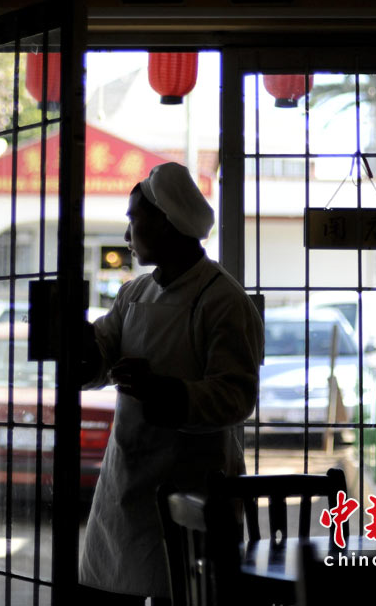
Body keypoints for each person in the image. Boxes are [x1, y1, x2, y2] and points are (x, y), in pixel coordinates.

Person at [79, 162, 265, 605]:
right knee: (109, 586)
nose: (127, 234)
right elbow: (100, 357)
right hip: (125, 487)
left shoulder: (223, 300)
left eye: (134, 219)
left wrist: (161, 390)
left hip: (192, 489)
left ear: (165, 221)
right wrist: (78, 343)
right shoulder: (134, 293)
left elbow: (237, 396)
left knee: (179, 595)